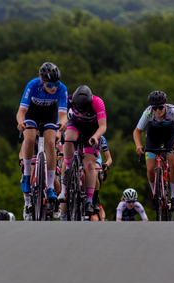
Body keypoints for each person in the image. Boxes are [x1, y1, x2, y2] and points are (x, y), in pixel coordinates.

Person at [16, 62, 68, 214]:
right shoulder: (32, 85)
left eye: (56, 84)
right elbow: (21, 111)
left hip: (50, 113)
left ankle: (50, 187)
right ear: (42, 82)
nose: (54, 88)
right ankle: (26, 175)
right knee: (30, 138)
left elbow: (63, 115)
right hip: (32, 112)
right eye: (50, 84)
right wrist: (20, 122)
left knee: (51, 143)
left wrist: (62, 123)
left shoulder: (61, 88)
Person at [133, 90, 174, 212]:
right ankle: (154, 194)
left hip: (170, 136)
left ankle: (173, 197)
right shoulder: (147, 113)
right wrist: (138, 145)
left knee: (173, 163)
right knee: (150, 169)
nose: (157, 111)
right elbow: (137, 131)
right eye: (154, 108)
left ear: (165, 105)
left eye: (160, 107)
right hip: (153, 137)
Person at [58, 85, 107, 216]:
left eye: (84, 111)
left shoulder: (98, 102)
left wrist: (95, 137)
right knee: (68, 139)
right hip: (76, 124)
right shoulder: (69, 100)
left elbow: (103, 126)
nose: (82, 113)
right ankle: (68, 170)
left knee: (90, 164)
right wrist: (59, 131)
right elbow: (61, 118)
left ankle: (89, 201)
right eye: (79, 111)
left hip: (93, 128)